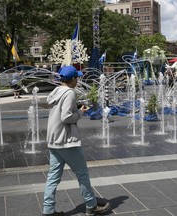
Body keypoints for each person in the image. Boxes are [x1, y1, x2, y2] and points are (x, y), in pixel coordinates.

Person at [43, 65, 111, 216]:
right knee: (82, 174)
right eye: (77, 78)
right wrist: (80, 112)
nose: (78, 80)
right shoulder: (69, 93)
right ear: (73, 79)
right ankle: (91, 206)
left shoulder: (55, 92)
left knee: (53, 177)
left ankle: (48, 210)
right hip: (67, 141)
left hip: (54, 140)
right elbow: (66, 117)